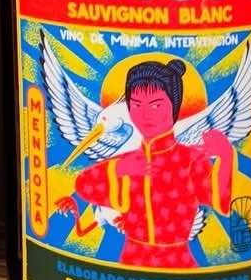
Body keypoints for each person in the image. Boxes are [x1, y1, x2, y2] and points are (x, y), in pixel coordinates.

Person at [56, 58, 234, 269]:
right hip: (131, 262)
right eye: (136, 105)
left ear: (174, 106)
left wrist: (226, 157)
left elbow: (219, 201)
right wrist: (120, 169)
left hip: (179, 263)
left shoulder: (190, 159)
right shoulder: (128, 161)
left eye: (156, 105)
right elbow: (84, 185)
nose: (145, 114)